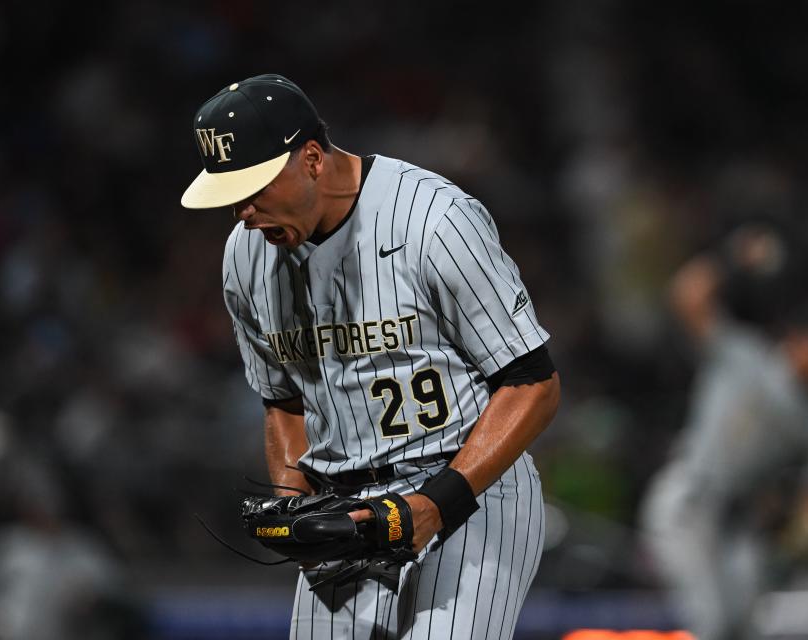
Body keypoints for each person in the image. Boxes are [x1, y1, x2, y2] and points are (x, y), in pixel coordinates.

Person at [181, 74, 560, 639]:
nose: (242, 210)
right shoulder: (245, 258)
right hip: (345, 508)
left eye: (254, 187)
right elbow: (283, 403)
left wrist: (435, 504)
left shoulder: (433, 219)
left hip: (469, 487)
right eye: (231, 195)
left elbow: (533, 383)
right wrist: (292, 506)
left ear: (311, 158)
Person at [639, 239, 808, 640]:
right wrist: (733, 257)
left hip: (743, 524)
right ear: (803, 340)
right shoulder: (746, 357)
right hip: (690, 503)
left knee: (744, 627)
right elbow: (685, 296)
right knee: (711, 620)